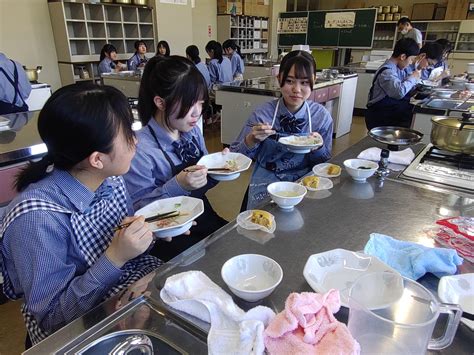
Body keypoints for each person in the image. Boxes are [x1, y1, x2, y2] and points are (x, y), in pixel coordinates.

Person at [0, 84, 162, 347]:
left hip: (124, 298)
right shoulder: (36, 219)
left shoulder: (109, 179)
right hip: (74, 333)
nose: (137, 141)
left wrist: (144, 234)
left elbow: (127, 239)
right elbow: (52, 317)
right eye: (128, 136)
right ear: (97, 159)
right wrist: (115, 256)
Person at [123, 56, 228, 262]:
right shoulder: (140, 149)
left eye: (201, 102)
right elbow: (140, 212)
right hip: (167, 235)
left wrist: (219, 168)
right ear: (160, 102)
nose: (197, 113)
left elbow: (203, 184)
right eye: (189, 104)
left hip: (201, 214)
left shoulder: (191, 132)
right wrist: (178, 184)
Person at [230, 50, 333, 210]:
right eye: (290, 81)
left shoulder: (321, 116)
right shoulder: (263, 114)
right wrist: (252, 139)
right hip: (267, 182)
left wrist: (318, 148)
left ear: (314, 80)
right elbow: (236, 158)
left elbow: (324, 164)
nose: (297, 89)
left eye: (304, 82)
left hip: (304, 182)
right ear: (279, 79)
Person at [365, 38, 442, 130]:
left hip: (390, 114)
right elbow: (399, 92)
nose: (410, 63)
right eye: (411, 59)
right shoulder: (387, 71)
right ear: (402, 57)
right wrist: (413, 76)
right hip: (380, 117)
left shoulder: (398, 68)